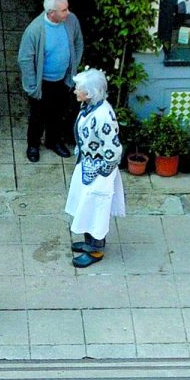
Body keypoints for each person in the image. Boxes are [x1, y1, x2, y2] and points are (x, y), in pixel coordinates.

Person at [65, 68, 124, 267]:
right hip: (88, 165)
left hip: (98, 171)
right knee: (86, 205)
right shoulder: (89, 106)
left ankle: (96, 249)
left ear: (89, 93)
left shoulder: (102, 116)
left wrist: (102, 174)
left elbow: (114, 150)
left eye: (78, 88)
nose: (75, 91)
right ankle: (90, 243)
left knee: (96, 208)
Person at [17, 0, 84, 162]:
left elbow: (78, 43)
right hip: (42, 83)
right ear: (51, 13)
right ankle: (33, 145)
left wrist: (73, 69)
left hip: (63, 80)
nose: (68, 13)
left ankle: (53, 142)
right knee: (37, 116)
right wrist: (32, 86)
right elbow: (25, 59)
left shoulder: (71, 21)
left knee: (58, 113)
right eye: (64, 10)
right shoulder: (35, 30)